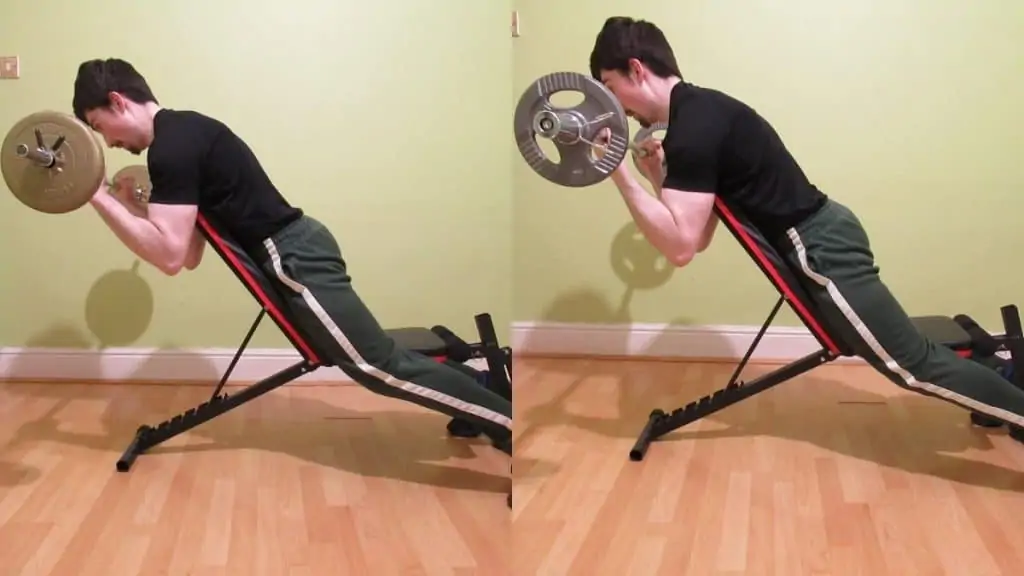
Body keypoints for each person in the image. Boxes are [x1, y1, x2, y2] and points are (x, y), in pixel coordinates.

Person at [72, 58, 513, 506]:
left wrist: (94, 196)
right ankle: (482, 395)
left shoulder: (171, 148)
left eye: (98, 125)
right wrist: (128, 207)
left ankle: (513, 426)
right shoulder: (182, 135)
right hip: (297, 251)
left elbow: (166, 257)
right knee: (376, 356)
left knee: (376, 367)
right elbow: (186, 254)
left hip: (294, 258)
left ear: (117, 101)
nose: (107, 141)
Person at [587, 16, 1024, 431]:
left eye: (610, 87)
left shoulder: (693, 130)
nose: (617, 109)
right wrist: (653, 176)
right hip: (822, 236)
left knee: (910, 365)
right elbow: (695, 236)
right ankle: (1003, 376)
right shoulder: (697, 115)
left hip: (820, 248)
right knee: (907, 354)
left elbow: (679, 249)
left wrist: (618, 173)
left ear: (637, 70)